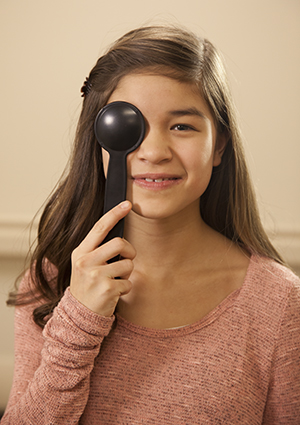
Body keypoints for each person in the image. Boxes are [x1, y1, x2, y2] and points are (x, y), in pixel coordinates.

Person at [1, 25, 300, 425]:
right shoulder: (51, 284)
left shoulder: (279, 304)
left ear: (220, 145)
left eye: (182, 126)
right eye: (131, 128)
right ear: (100, 142)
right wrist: (79, 321)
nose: (155, 152)